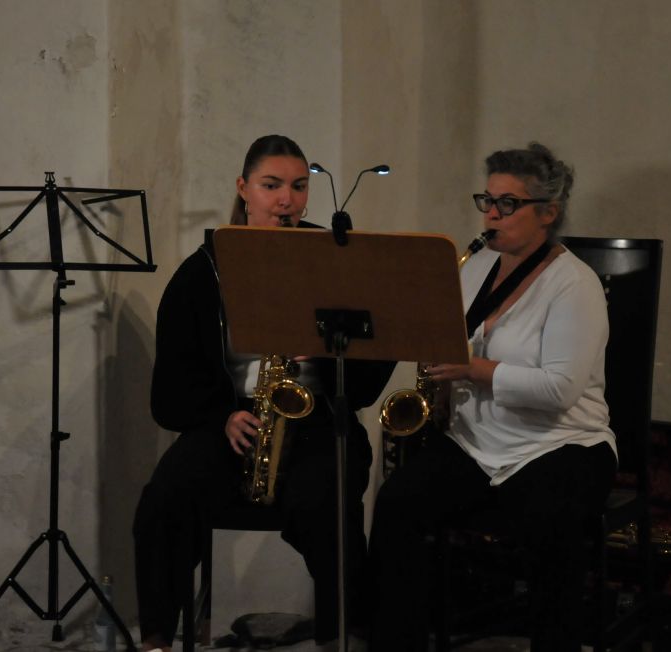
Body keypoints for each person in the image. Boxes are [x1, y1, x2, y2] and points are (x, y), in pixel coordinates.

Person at [133, 134, 395, 652]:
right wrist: (221, 416)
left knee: (326, 504)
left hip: (317, 421)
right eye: (271, 186)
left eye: (298, 187)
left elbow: (368, 373)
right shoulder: (202, 272)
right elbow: (171, 390)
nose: (286, 201)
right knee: (164, 501)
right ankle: (157, 639)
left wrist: (324, 352)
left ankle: (344, 634)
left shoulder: (336, 261)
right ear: (243, 188)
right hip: (232, 423)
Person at [368, 142, 617, 652]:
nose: (491, 214)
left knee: (551, 523)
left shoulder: (575, 284)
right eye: (487, 200)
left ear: (548, 213)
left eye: (508, 203)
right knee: (395, 506)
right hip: (476, 443)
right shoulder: (476, 265)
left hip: (559, 444)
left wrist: (474, 370)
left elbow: (560, 390)